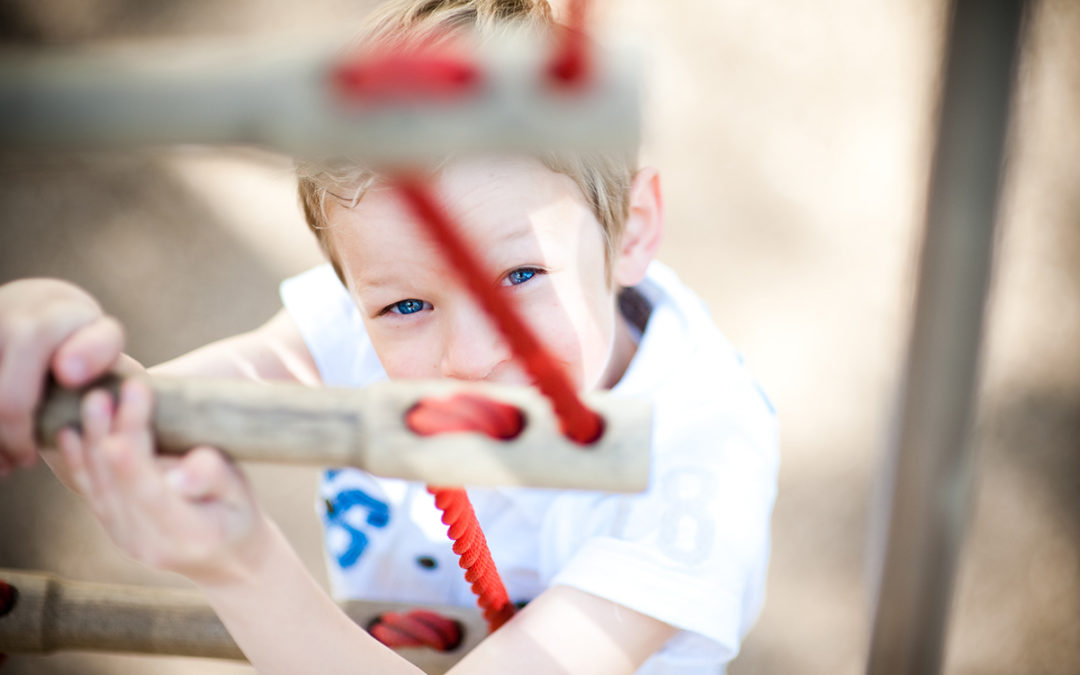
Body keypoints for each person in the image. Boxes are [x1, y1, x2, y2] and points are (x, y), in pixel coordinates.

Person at [0, 1, 779, 672]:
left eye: (516, 279)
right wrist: (56, 337)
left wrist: (243, 568)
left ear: (633, 230)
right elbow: (142, 415)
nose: (467, 356)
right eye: (406, 307)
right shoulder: (376, 305)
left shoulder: (699, 458)